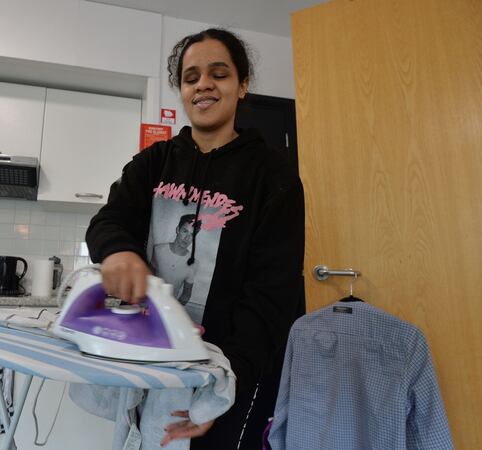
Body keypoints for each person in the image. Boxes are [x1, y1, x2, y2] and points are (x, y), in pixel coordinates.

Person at [85, 28, 305, 449]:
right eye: (191, 77)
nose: (203, 84)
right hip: (151, 359)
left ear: (242, 86)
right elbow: (107, 221)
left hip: (226, 368)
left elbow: (271, 295)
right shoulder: (154, 162)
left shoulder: (274, 178)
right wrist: (118, 251)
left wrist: (222, 390)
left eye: (218, 74)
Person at [151, 214, 199, 305]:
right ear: (178, 230)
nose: (187, 238)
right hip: (149, 303)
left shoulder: (193, 263)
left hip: (170, 308)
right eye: (185, 231)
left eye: (192, 235)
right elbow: (149, 277)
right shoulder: (158, 250)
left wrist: (174, 310)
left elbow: (186, 294)